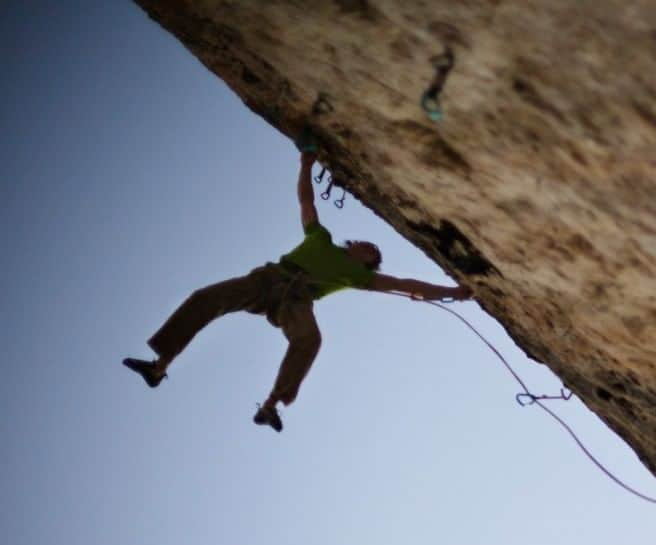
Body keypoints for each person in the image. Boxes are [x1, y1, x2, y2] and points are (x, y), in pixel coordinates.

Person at [122, 150, 472, 433]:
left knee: (309, 340)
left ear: (368, 263)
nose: (369, 246)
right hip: (266, 280)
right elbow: (306, 203)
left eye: (373, 253)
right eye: (368, 244)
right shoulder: (320, 238)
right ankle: (159, 367)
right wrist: (305, 165)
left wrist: (453, 293)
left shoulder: (357, 276)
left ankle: (270, 406)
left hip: (295, 300)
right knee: (204, 299)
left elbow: (406, 285)